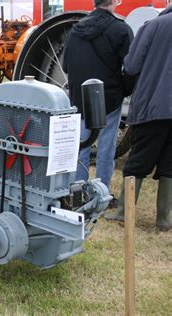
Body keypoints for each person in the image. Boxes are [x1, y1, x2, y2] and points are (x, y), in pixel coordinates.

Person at [105, 2, 172, 231]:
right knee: (170, 164)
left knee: (137, 162)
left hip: (153, 105)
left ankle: (124, 212)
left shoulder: (153, 26)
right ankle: (164, 219)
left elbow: (132, 66)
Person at [62, 0, 133, 191]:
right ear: (115, 2)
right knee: (106, 150)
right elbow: (132, 68)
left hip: (81, 96)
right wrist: (124, 90)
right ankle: (101, 193)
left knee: (81, 147)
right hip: (109, 96)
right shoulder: (121, 30)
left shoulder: (75, 30)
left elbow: (65, 65)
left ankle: (78, 191)